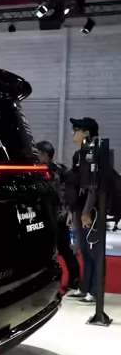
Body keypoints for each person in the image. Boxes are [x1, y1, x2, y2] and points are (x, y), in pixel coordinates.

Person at [36, 139, 79, 292]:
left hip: (56, 218)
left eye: (38, 153)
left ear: (46, 155)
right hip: (44, 217)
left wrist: (68, 212)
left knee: (64, 250)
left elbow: (65, 194)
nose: (36, 156)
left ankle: (74, 280)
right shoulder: (39, 170)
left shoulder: (55, 172)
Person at [66, 117, 100, 303]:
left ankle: (95, 291)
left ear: (86, 132)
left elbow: (93, 185)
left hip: (91, 209)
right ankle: (84, 287)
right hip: (79, 206)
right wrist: (73, 211)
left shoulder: (95, 154)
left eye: (76, 129)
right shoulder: (78, 155)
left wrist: (87, 211)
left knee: (94, 251)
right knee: (84, 251)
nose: (73, 132)